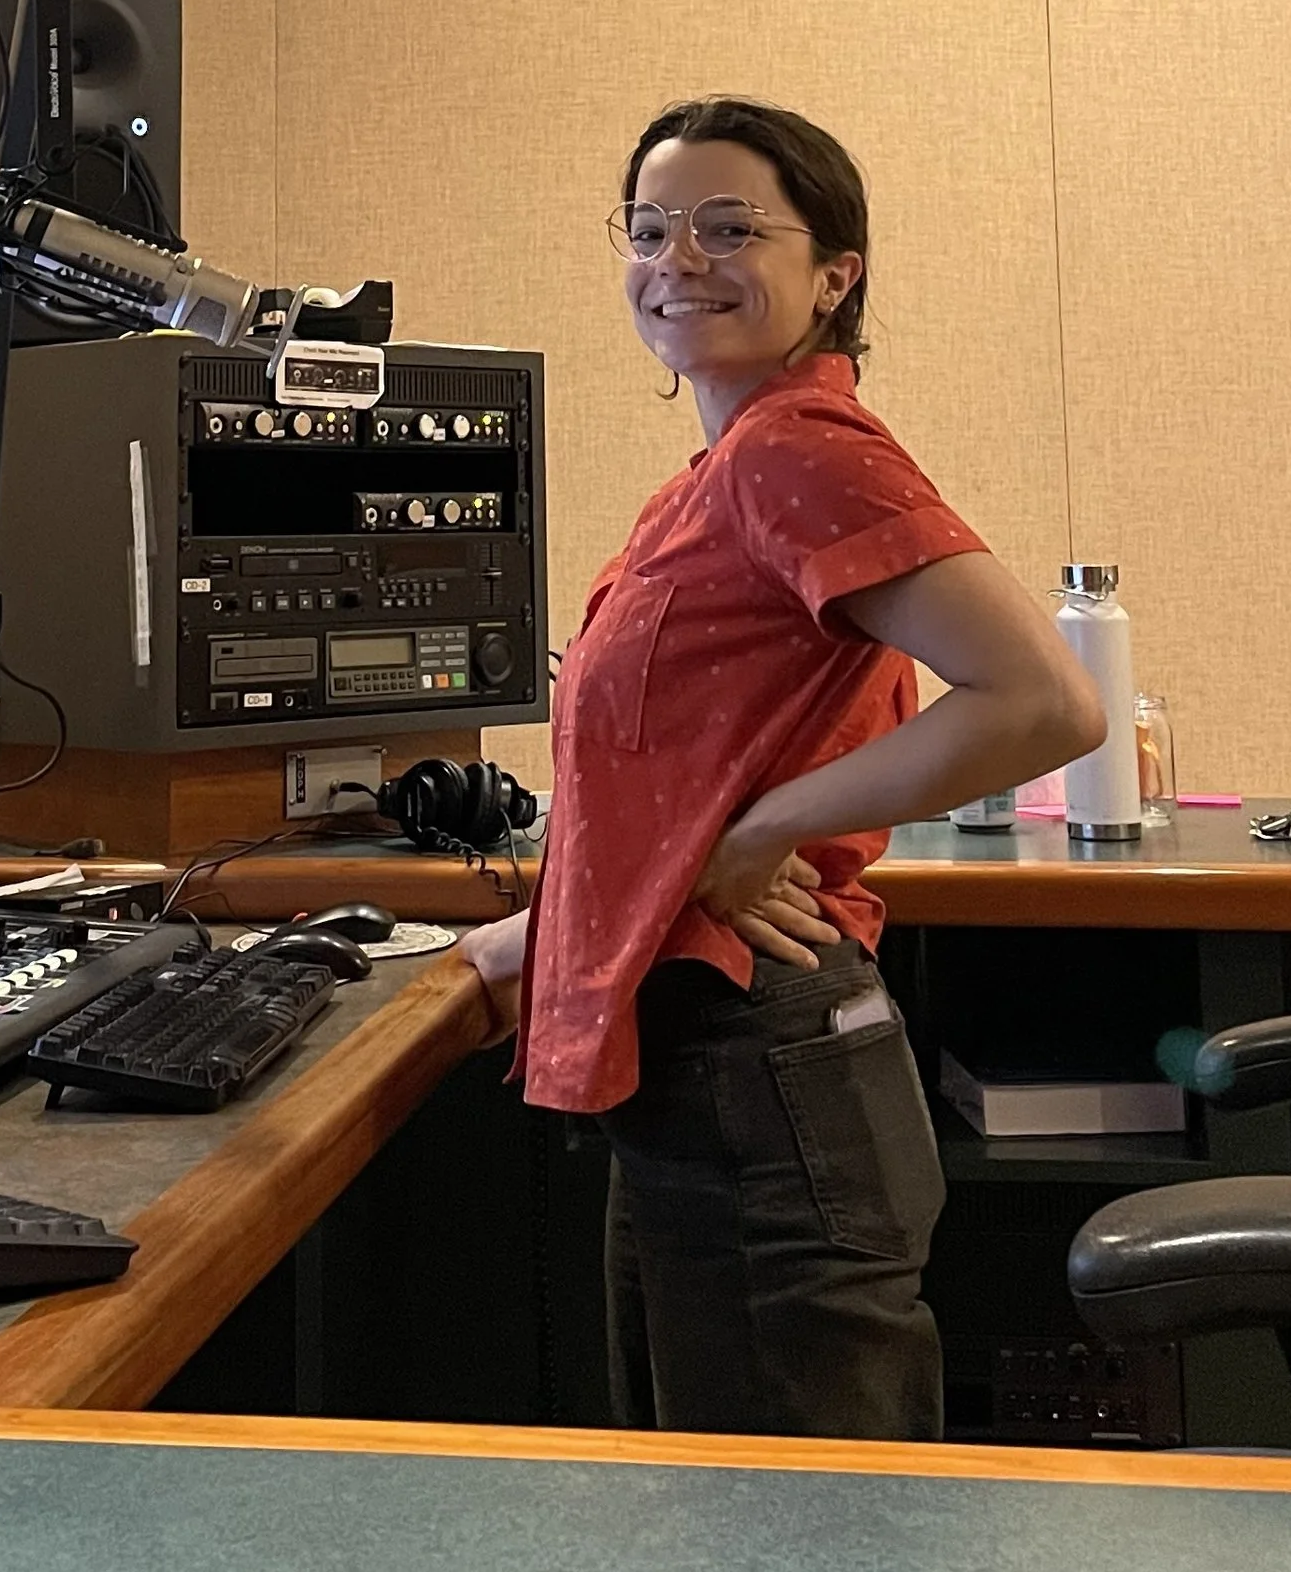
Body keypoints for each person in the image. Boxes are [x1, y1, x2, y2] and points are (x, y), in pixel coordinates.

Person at [462, 97, 1103, 1441]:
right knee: (723, 1545)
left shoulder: (799, 454)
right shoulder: (719, 473)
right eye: (648, 230)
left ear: (835, 272)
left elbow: (1042, 701)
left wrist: (763, 831)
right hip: (723, 1068)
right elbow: (679, 768)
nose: (676, 258)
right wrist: (555, 926)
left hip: (762, 1072)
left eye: (728, 227)